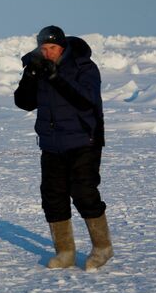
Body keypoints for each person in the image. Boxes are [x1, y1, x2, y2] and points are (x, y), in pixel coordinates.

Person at [14, 25, 113, 271]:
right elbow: (23, 103)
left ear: (63, 47)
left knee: (83, 193)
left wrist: (56, 78)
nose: (48, 53)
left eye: (52, 48)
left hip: (84, 141)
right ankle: (65, 252)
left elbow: (85, 100)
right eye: (43, 49)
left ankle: (102, 248)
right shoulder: (40, 67)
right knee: (53, 196)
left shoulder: (84, 67)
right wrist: (30, 76)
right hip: (51, 144)